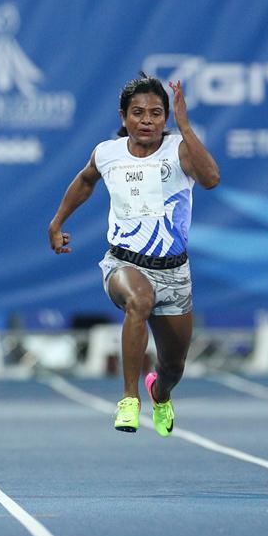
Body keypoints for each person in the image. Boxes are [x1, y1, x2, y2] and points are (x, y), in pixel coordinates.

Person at [48, 75, 219, 437]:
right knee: (139, 301)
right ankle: (129, 398)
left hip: (174, 273)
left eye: (156, 113)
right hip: (124, 264)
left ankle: (159, 392)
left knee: (174, 366)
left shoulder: (179, 149)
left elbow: (211, 179)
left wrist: (185, 127)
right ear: (124, 117)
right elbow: (85, 180)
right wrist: (58, 221)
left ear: (166, 118)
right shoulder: (107, 153)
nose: (147, 120)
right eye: (138, 113)